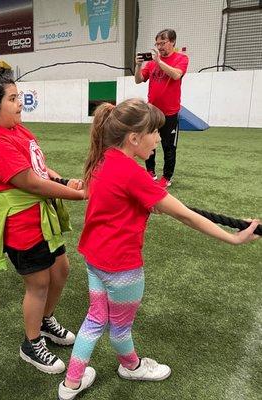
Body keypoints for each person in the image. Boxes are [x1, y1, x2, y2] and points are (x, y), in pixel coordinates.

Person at [57, 99, 260, 400]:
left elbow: (119, 201)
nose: (158, 139)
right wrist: (233, 238)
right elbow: (185, 215)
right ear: (134, 138)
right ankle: (132, 366)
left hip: (95, 261)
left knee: (96, 318)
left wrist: (146, 204)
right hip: (122, 269)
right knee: (120, 328)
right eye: (154, 132)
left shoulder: (102, 160)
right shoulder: (134, 174)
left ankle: (70, 383)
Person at [0, 63, 85, 374]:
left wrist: (64, 182)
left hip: (42, 219)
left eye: (18, 96)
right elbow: (31, 182)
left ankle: (45, 321)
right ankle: (31, 342)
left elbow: (39, 168)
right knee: (38, 284)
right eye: (12, 98)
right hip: (21, 225)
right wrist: (77, 194)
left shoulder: (17, 130)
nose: (19, 102)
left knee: (60, 271)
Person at [135, 28, 189, 188]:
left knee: (168, 146)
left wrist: (159, 62)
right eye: (157, 44)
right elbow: (138, 80)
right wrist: (138, 66)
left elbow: (176, 75)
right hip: (151, 112)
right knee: (147, 142)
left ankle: (167, 177)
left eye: (162, 43)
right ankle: (150, 172)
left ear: (172, 42)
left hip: (170, 113)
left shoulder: (181, 58)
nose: (159, 47)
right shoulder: (151, 63)